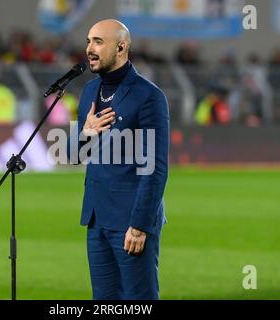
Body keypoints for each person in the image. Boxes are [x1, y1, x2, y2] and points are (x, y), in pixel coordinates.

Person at [67, 19, 169, 300]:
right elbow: (75, 156)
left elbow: (155, 169)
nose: (90, 48)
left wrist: (139, 225)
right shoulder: (89, 91)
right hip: (96, 219)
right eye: (88, 41)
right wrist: (86, 133)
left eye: (98, 41)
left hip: (130, 222)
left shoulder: (148, 96)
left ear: (121, 47)